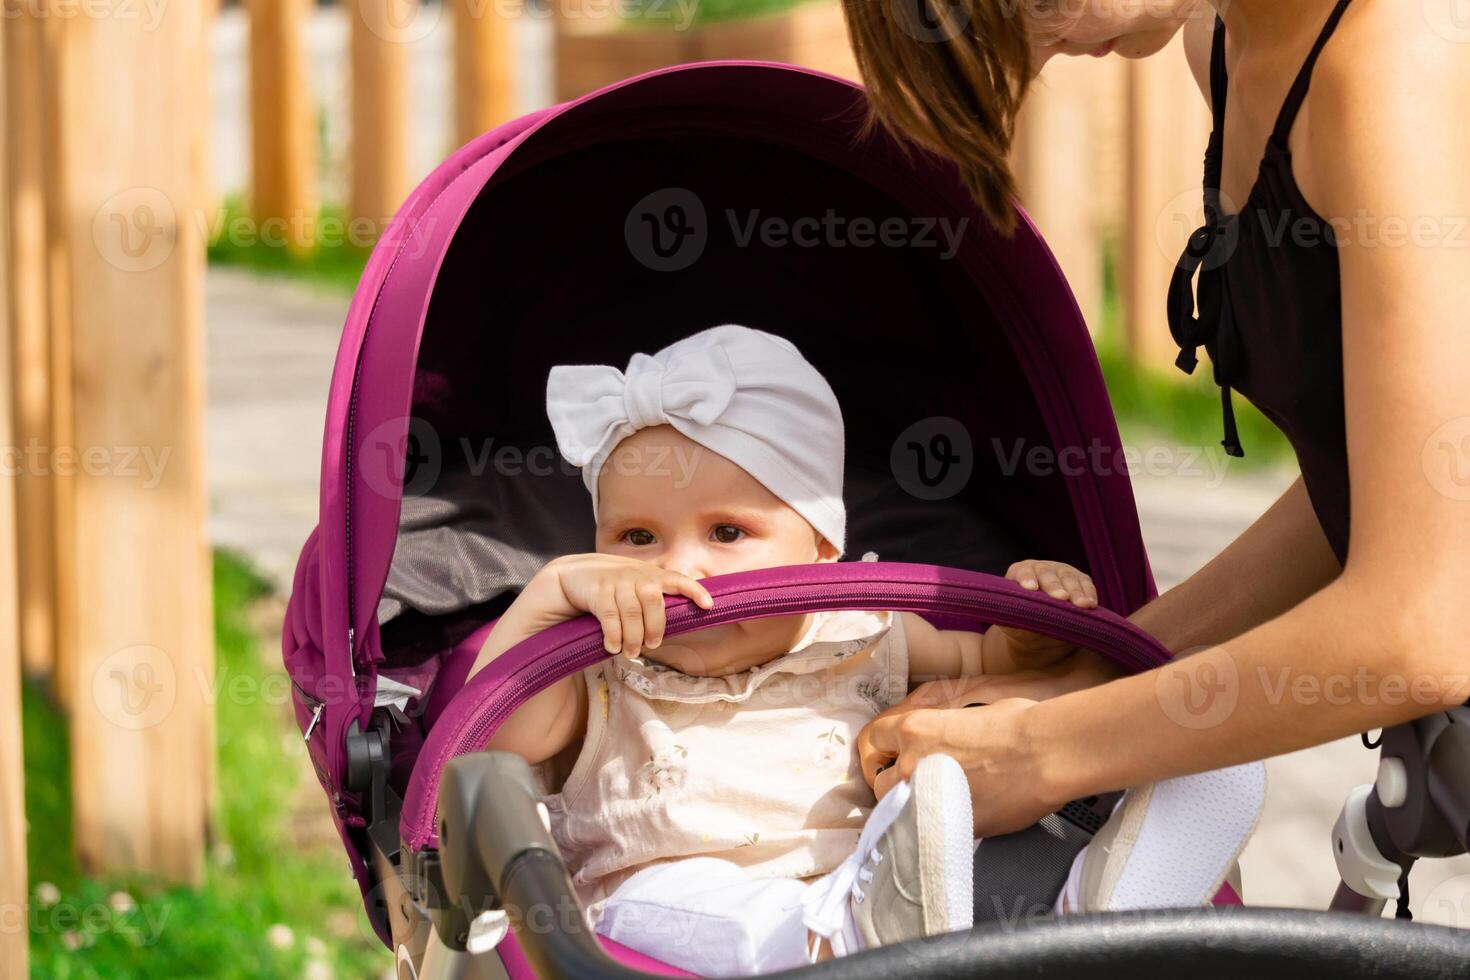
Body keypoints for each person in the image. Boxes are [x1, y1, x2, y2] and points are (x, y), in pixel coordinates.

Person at [839, 0, 1470, 840]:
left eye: (1033, 8)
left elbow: (1422, 626)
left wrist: (1039, 751)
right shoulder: (1224, 44)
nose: (1034, 59)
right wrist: (1098, 668)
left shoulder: (1393, 65)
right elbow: (1374, 496)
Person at [468, 324, 1263, 975]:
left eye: (727, 532)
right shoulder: (603, 668)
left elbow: (999, 671)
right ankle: (843, 934)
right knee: (683, 898)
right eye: (636, 538)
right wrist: (550, 598)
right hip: (666, 921)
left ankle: (1094, 919)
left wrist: (1028, 621)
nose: (680, 568)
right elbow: (492, 731)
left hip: (892, 888)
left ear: (820, 550)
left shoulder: (861, 629)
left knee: (970, 789)